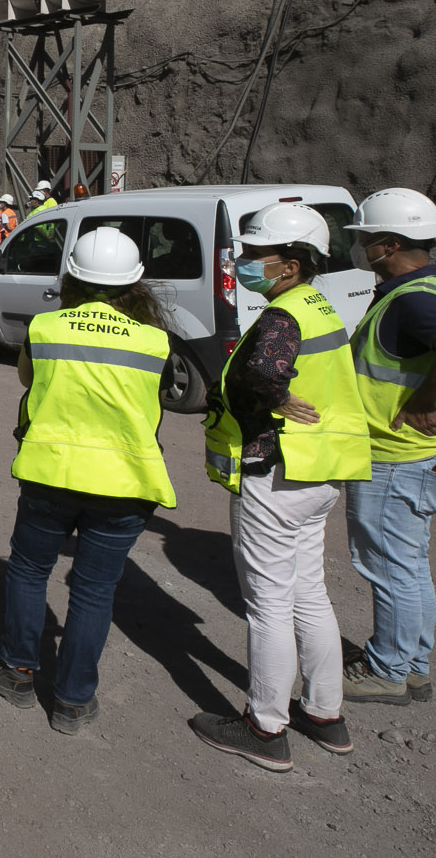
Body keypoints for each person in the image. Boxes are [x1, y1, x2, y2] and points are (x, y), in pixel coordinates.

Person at [0, 227, 175, 734]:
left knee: (29, 570)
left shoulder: (45, 329)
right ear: (134, 285)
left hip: (51, 474)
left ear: (72, 279)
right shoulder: (157, 341)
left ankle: (17, 672)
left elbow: (27, 380)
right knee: (94, 591)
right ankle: (73, 700)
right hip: (126, 482)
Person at [189, 202, 371, 773]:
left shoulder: (282, 318)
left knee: (268, 603)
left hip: (278, 470)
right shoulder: (320, 306)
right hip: (319, 471)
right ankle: (324, 713)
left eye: (253, 255)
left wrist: (269, 396)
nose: (242, 262)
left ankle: (265, 727)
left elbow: (259, 373)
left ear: (289, 266)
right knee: (308, 592)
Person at [341, 189, 436, 707]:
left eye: (364, 239)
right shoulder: (424, 288)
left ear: (390, 243)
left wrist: (426, 399)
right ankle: (413, 664)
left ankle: (387, 671)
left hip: (396, 459)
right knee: (408, 566)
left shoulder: (414, 299)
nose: (358, 247)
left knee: (388, 567)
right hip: (413, 461)